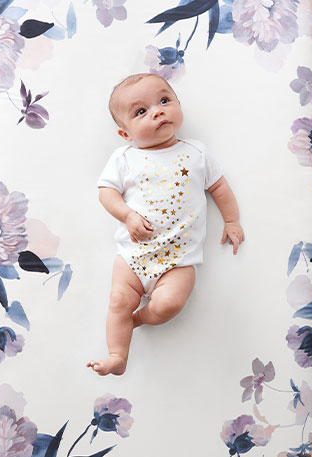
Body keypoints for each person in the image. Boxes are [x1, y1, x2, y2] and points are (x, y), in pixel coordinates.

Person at [87, 73, 244, 376]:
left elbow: (220, 188)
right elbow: (106, 193)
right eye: (141, 111)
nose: (157, 111)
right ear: (125, 133)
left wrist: (232, 219)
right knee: (119, 299)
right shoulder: (124, 158)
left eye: (164, 101)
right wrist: (127, 215)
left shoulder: (196, 153)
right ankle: (117, 355)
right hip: (134, 255)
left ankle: (141, 318)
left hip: (178, 261)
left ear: (177, 104)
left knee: (169, 305)